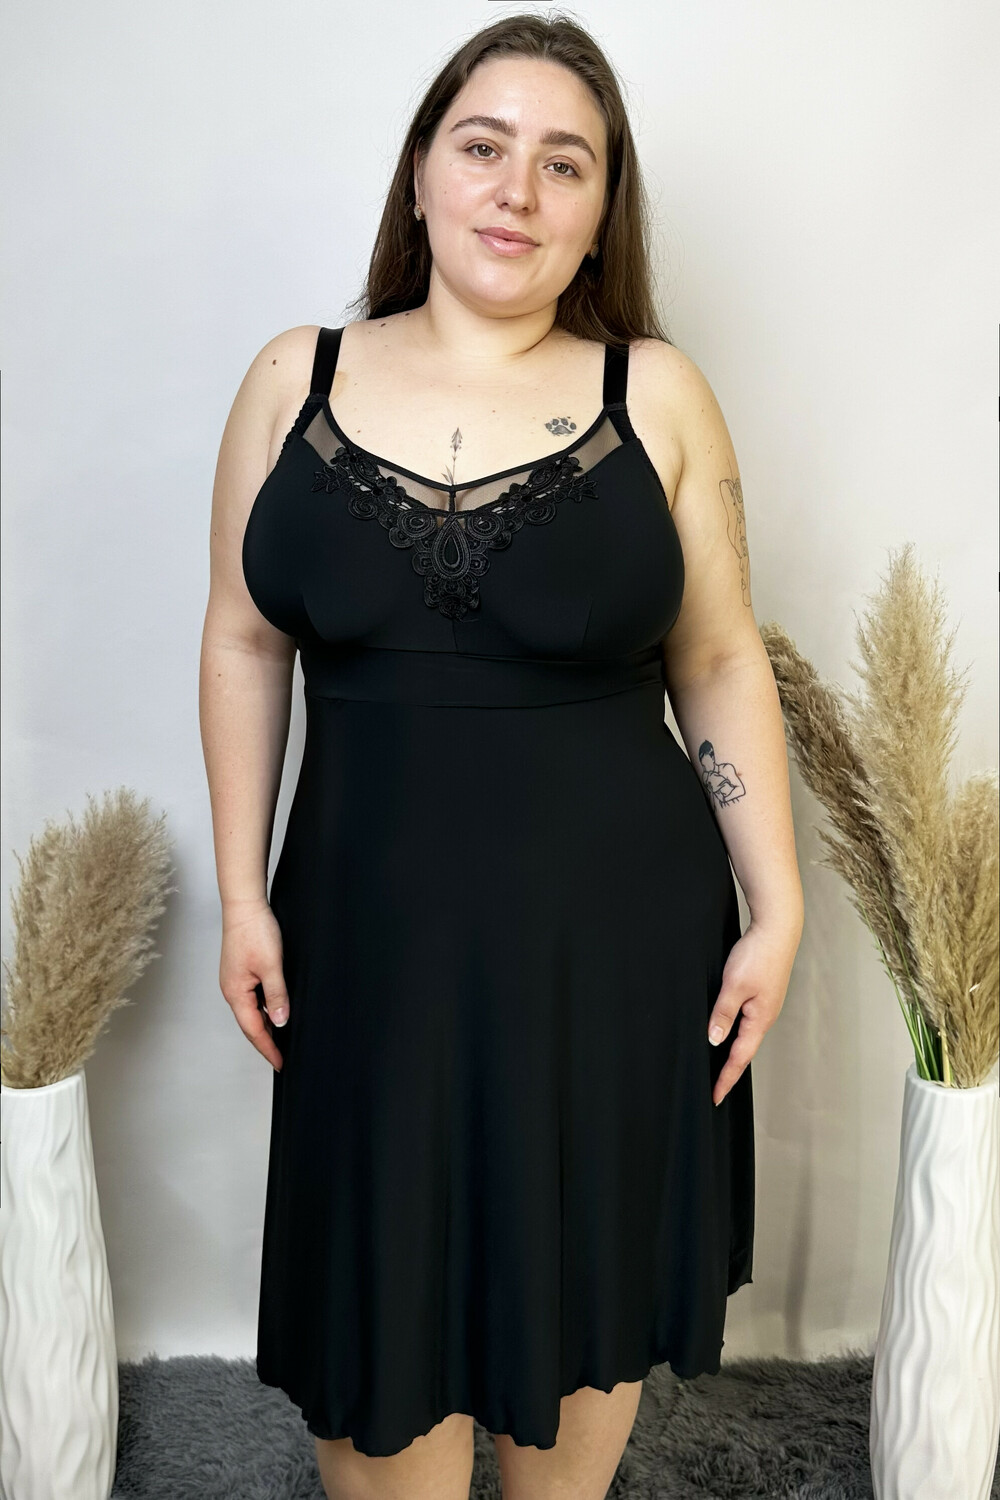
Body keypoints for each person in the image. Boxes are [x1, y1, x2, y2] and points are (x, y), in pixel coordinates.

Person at [199, 12, 804, 1499]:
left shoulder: (654, 393)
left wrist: (778, 906)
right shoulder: (292, 378)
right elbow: (243, 642)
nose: (516, 190)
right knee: (378, 1363)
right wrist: (242, 896)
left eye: (565, 163)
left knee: (568, 1358)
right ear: (421, 174)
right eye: (483, 146)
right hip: (367, 948)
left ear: (602, 213)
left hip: (613, 957)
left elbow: (721, 658)